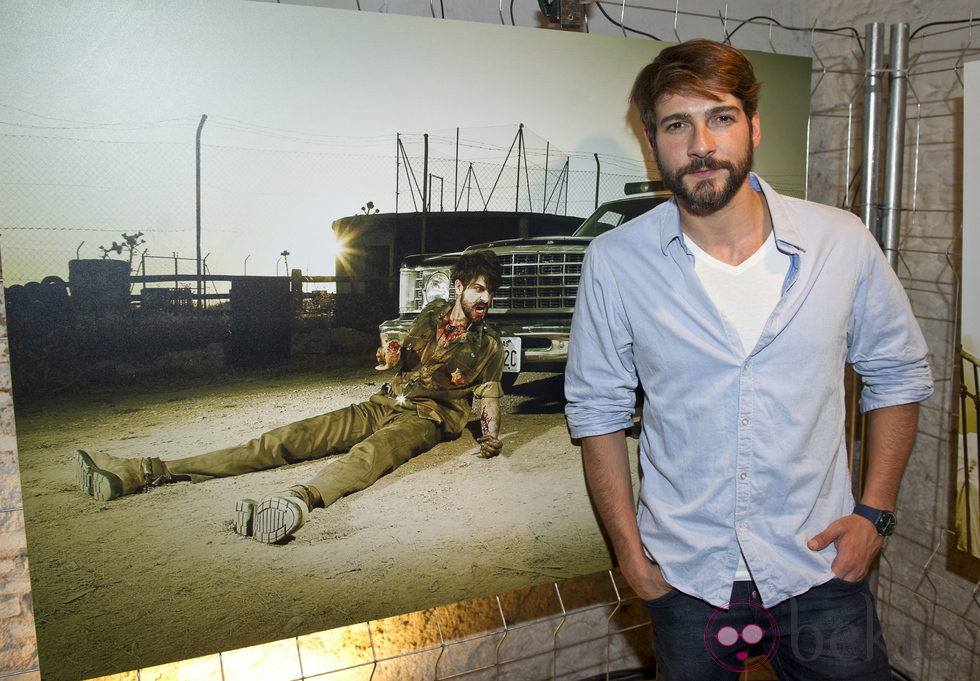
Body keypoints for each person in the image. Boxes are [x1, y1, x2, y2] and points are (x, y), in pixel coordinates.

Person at [564, 39, 933, 681]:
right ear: (652, 141)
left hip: (818, 566)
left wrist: (874, 514)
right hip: (685, 575)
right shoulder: (615, 262)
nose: (701, 144)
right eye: (677, 124)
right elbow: (597, 414)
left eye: (721, 117)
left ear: (754, 126)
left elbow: (897, 374)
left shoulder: (839, 242)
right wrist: (628, 552)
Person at [73, 250, 506, 544]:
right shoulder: (429, 315)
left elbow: (488, 397)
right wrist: (389, 354)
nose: (484, 298)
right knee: (285, 439)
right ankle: (145, 471)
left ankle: (298, 502)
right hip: (381, 402)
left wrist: (490, 435)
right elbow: (401, 357)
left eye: (490, 291)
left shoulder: (489, 342)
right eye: (478, 289)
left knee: (369, 456)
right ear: (457, 287)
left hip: (424, 417)